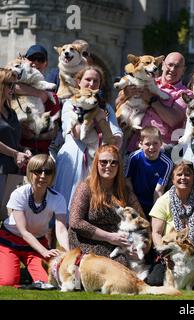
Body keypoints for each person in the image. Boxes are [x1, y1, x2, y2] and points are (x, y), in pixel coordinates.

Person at [54, 66, 123, 213]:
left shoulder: (106, 108)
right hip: (73, 157)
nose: (91, 84)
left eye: (95, 81)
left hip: (96, 158)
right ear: (79, 81)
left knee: (91, 202)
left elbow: (115, 139)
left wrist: (101, 120)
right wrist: (95, 115)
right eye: (87, 79)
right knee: (66, 199)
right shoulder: (69, 104)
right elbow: (77, 133)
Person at [68, 144, 147, 266]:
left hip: (116, 244)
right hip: (86, 243)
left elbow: (142, 223)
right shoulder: (85, 188)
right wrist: (109, 237)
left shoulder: (125, 191)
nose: (108, 166)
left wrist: (140, 249)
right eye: (103, 162)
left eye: (113, 162)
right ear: (96, 164)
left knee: (124, 266)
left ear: (119, 166)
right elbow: (75, 222)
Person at [0, 154, 69, 286]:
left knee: (46, 281)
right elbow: (24, 232)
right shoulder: (19, 194)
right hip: (9, 240)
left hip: (37, 243)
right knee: (8, 281)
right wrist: (44, 252)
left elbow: (60, 229)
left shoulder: (58, 198)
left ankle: (23, 272)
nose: (43, 176)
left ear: (52, 175)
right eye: (38, 171)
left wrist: (67, 251)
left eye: (47, 172)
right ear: (30, 172)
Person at [147, 161, 194, 285]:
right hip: (169, 255)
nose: (183, 178)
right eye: (179, 174)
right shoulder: (163, 201)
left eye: (187, 174)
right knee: (155, 281)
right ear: (173, 178)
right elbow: (156, 233)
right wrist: (164, 254)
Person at [125, 52, 192, 150]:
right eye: (170, 65)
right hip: (135, 144)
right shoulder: (145, 80)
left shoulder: (186, 94)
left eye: (177, 66)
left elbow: (173, 120)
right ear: (162, 65)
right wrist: (126, 94)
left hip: (162, 149)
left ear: (183, 70)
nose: (172, 69)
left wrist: (151, 99)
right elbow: (119, 103)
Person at [14, 44, 61, 155]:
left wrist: (35, 135)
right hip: (17, 154)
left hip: (41, 157)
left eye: (40, 59)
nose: (35, 63)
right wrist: (38, 93)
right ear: (24, 60)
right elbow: (9, 86)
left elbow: (54, 130)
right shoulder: (11, 85)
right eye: (31, 58)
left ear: (46, 64)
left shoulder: (52, 97)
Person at [126, 126, 173, 215]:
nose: (151, 147)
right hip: (134, 200)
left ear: (161, 143)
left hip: (153, 202)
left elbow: (159, 191)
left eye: (155, 143)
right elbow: (128, 180)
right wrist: (134, 203)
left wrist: (155, 213)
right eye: (147, 144)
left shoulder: (167, 163)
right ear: (140, 144)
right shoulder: (134, 157)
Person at [0, 68, 31, 174]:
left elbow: (12, 142)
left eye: (14, 85)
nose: (13, 89)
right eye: (10, 85)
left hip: (13, 171)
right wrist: (15, 154)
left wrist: (24, 150)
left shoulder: (11, 112)